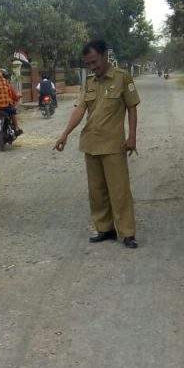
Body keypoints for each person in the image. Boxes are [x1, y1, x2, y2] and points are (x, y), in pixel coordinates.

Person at [54, 40, 141, 249]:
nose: (92, 67)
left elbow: (132, 108)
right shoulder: (90, 82)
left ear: (103, 55)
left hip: (113, 145)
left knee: (119, 191)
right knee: (97, 191)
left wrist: (132, 137)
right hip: (91, 144)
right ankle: (105, 229)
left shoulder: (122, 77)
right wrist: (65, 133)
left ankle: (127, 232)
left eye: (94, 62)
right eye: (88, 64)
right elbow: (79, 110)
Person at [0, 66, 22, 135]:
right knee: (13, 113)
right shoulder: (5, 82)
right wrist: (17, 97)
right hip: (6, 104)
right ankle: (17, 127)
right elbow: (12, 94)